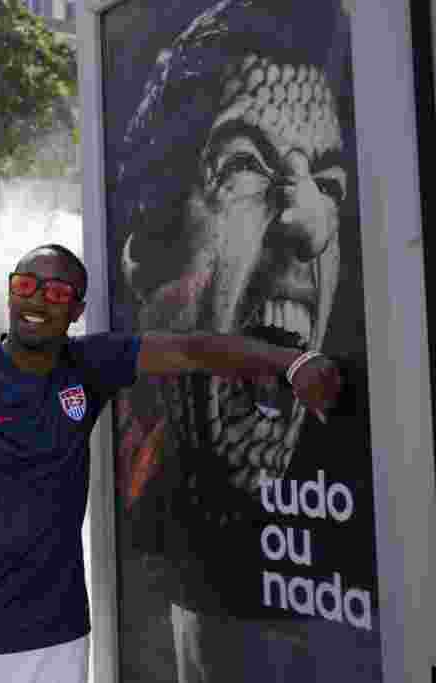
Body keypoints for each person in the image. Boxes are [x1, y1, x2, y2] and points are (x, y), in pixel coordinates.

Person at [0, 217, 343, 682]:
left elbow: (192, 347)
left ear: (78, 310)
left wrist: (289, 363)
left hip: (58, 638)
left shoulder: (89, 365)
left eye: (58, 293)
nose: (39, 299)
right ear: (10, 294)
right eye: (26, 285)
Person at [111, 1, 380, 680]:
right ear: (147, 246)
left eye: (329, 185)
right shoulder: (147, 481)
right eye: (246, 168)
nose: (309, 223)